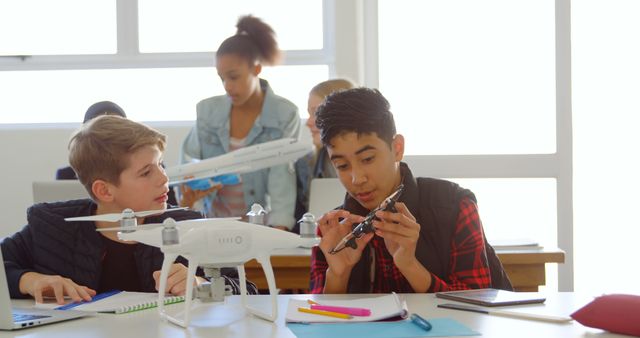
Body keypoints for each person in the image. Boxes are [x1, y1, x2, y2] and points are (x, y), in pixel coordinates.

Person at [1, 115, 256, 304]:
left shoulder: (188, 226)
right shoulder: (52, 226)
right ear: (104, 191)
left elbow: (249, 290)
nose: (163, 178)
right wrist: (29, 280)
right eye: (146, 172)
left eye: (160, 165)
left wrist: (203, 284)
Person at [309, 88, 511, 294]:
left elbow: (478, 304)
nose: (357, 179)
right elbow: (319, 321)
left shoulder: (455, 206)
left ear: (397, 148)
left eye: (368, 159)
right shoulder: (335, 230)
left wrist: (410, 266)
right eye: (342, 166)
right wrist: (337, 276)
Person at [181, 15, 299, 231]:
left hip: (260, 227)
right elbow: (188, 163)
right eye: (221, 78)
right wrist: (190, 192)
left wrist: (279, 229)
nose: (226, 86)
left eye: (233, 77)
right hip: (213, 226)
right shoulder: (207, 111)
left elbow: (282, 176)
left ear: (256, 69)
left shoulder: (284, 114)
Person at [294, 78, 355, 226]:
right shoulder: (305, 164)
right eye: (309, 113)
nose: (308, 122)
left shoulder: (372, 163)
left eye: (317, 113)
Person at [55, 101, 127, 180]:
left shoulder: (135, 171)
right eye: (101, 128)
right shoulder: (66, 175)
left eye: (115, 127)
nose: (108, 134)